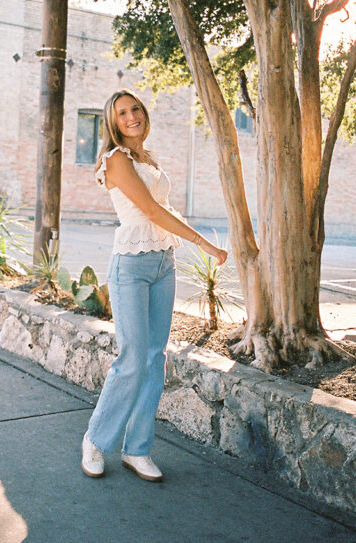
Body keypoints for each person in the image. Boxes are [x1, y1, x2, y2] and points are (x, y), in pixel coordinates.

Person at [81, 89, 227, 482]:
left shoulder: (147, 157)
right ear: (113, 123)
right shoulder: (116, 159)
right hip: (130, 265)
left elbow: (163, 211)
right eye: (122, 113)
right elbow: (149, 210)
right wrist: (204, 243)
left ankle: (137, 449)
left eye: (136, 109)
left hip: (163, 262)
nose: (131, 117)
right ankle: (95, 439)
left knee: (154, 360)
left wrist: (184, 243)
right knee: (131, 359)